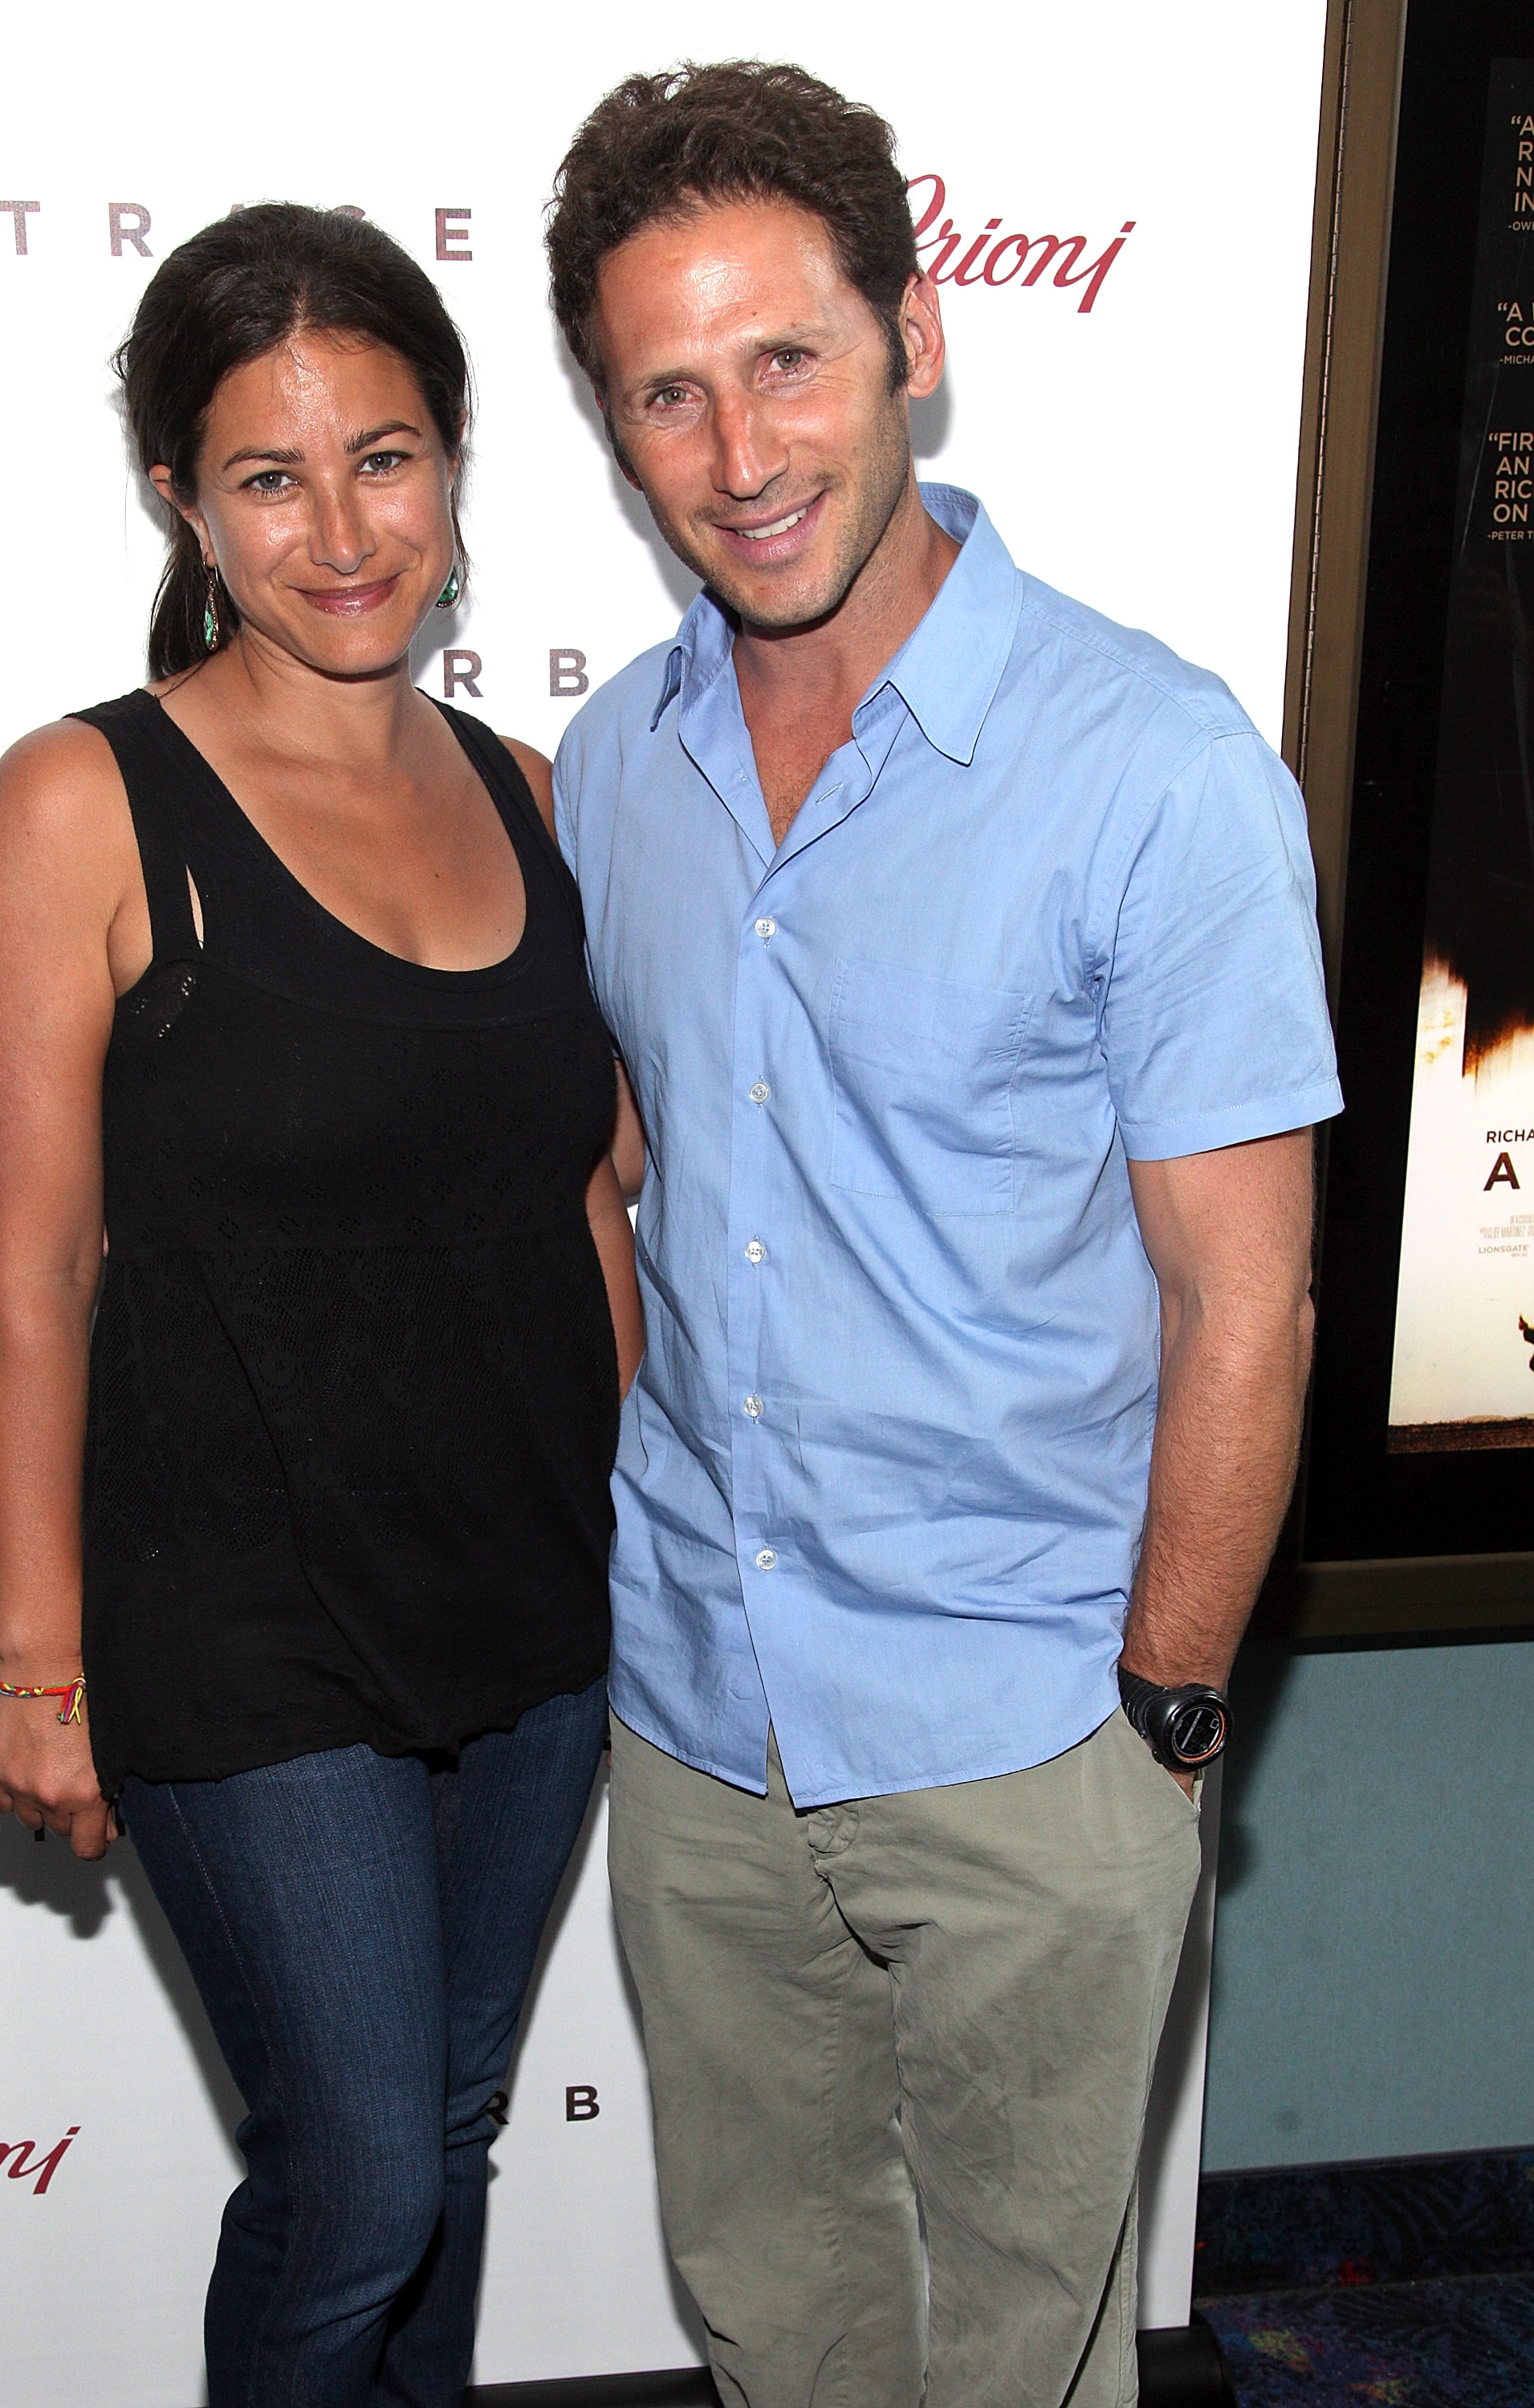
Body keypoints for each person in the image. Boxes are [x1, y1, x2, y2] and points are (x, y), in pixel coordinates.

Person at [544, 63, 1342, 2408]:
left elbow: (1246, 1298)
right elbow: (623, 1188)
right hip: (697, 1719)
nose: (737, 446)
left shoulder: (1151, 766)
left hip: (1029, 1729)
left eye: (783, 357)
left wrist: (1163, 1720)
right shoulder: (615, 768)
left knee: (1019, 2356)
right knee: (774, 2329)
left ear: (915, 332)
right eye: (664, 396)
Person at [0, 202, 641, 2408]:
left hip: (528, 1600)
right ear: (183, 498)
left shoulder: (536, 800)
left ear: (452, 468)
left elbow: (587, 1205)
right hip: (235, 1615)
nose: (341, 528)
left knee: (438, 2144)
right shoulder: (82, 801)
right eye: (269, 474)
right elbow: (37, 1269)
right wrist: (39, 1660)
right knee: (355, 2175)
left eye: (388, 455)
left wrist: (632, 1539)